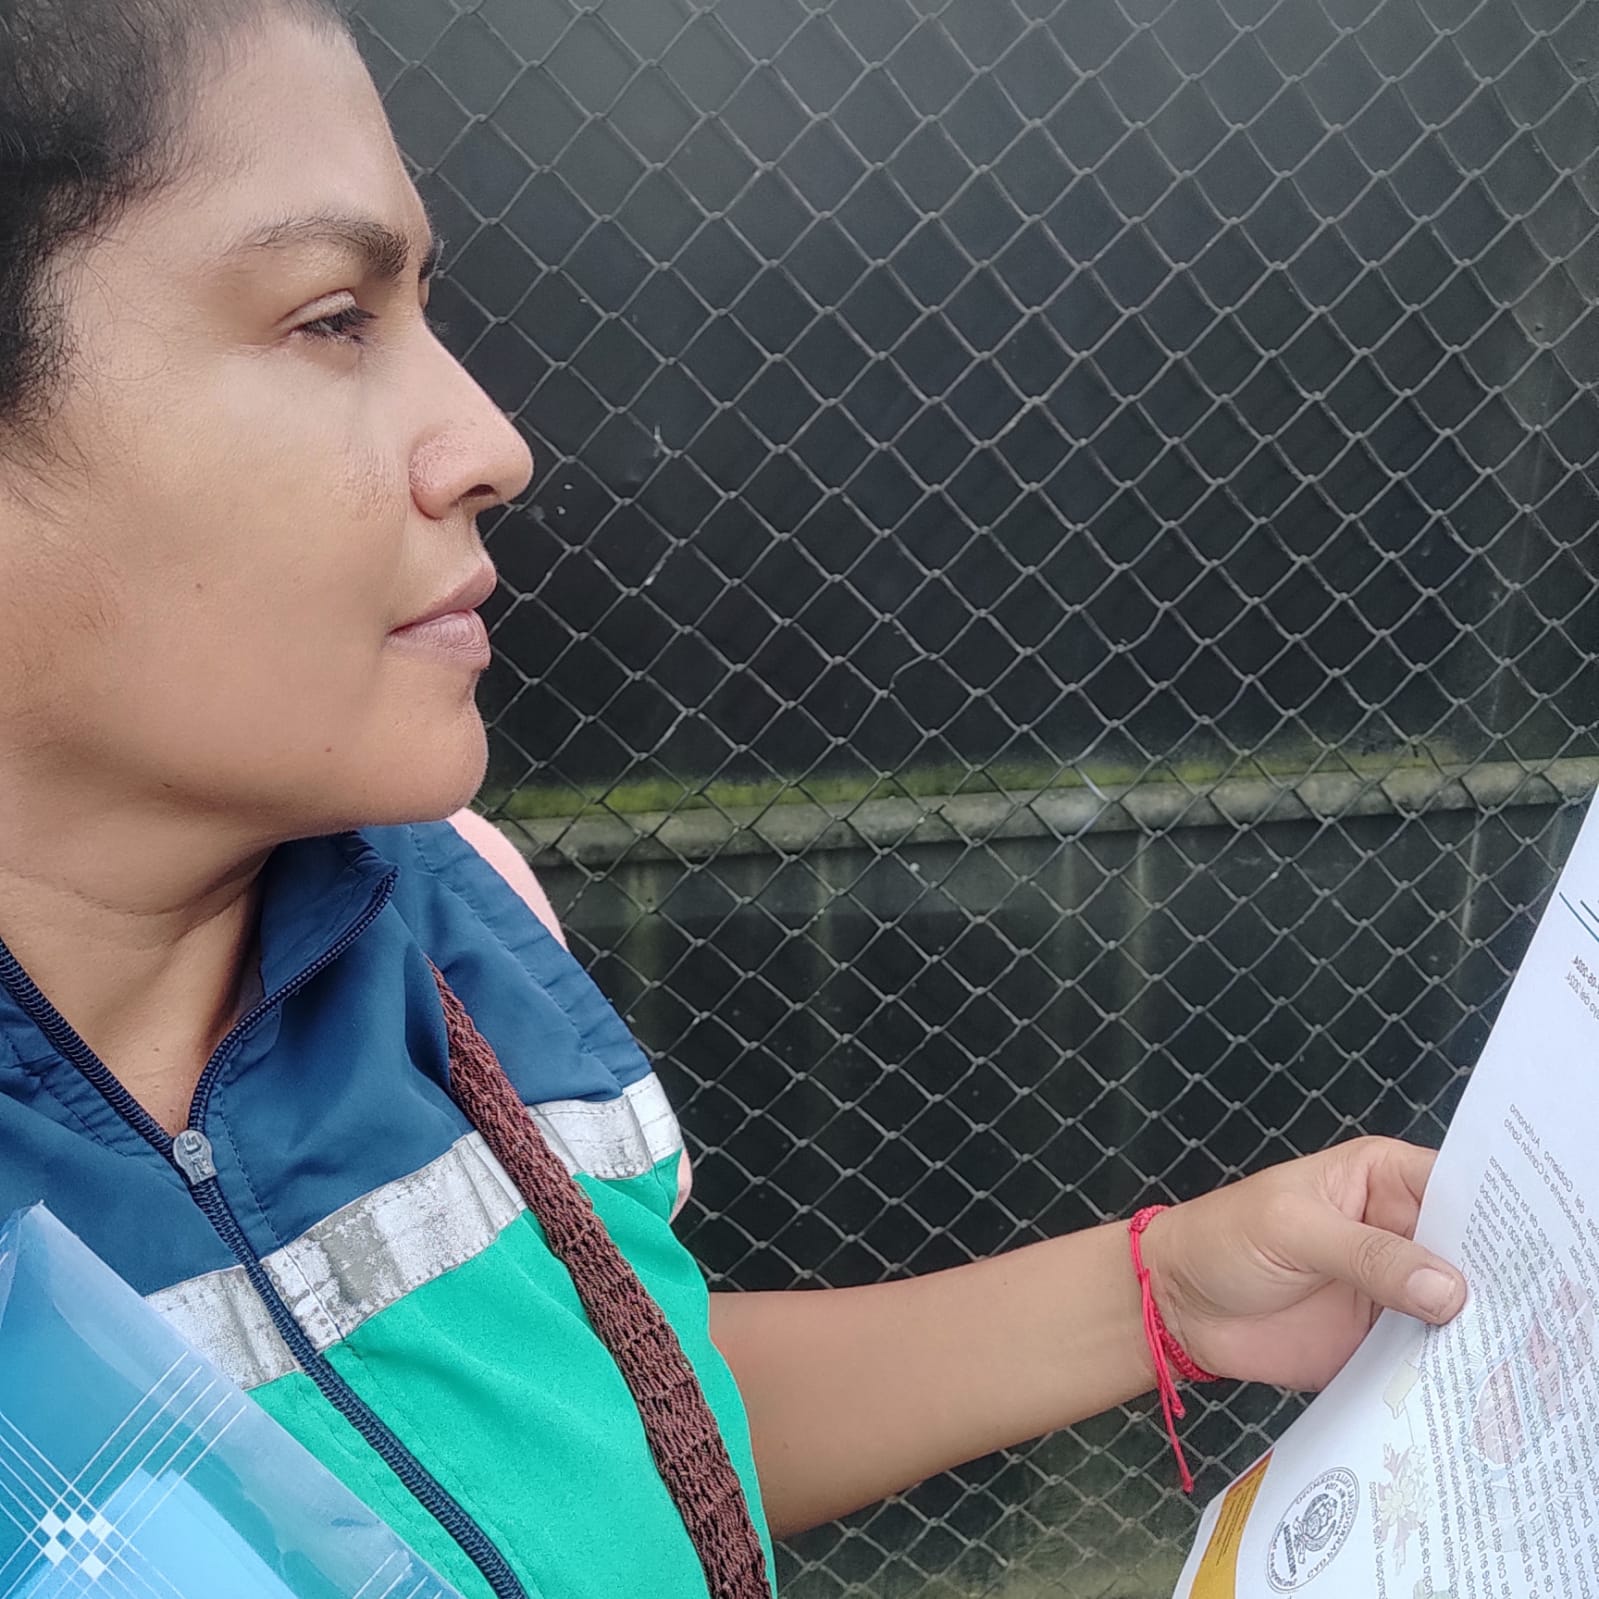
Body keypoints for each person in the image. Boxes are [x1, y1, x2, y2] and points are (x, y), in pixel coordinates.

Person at [0, 3, 1468, 1596]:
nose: (491, 445)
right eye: (334, 318)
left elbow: (605, 1421)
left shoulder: (461, 923)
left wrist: (1163, 1294)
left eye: (425, 310)